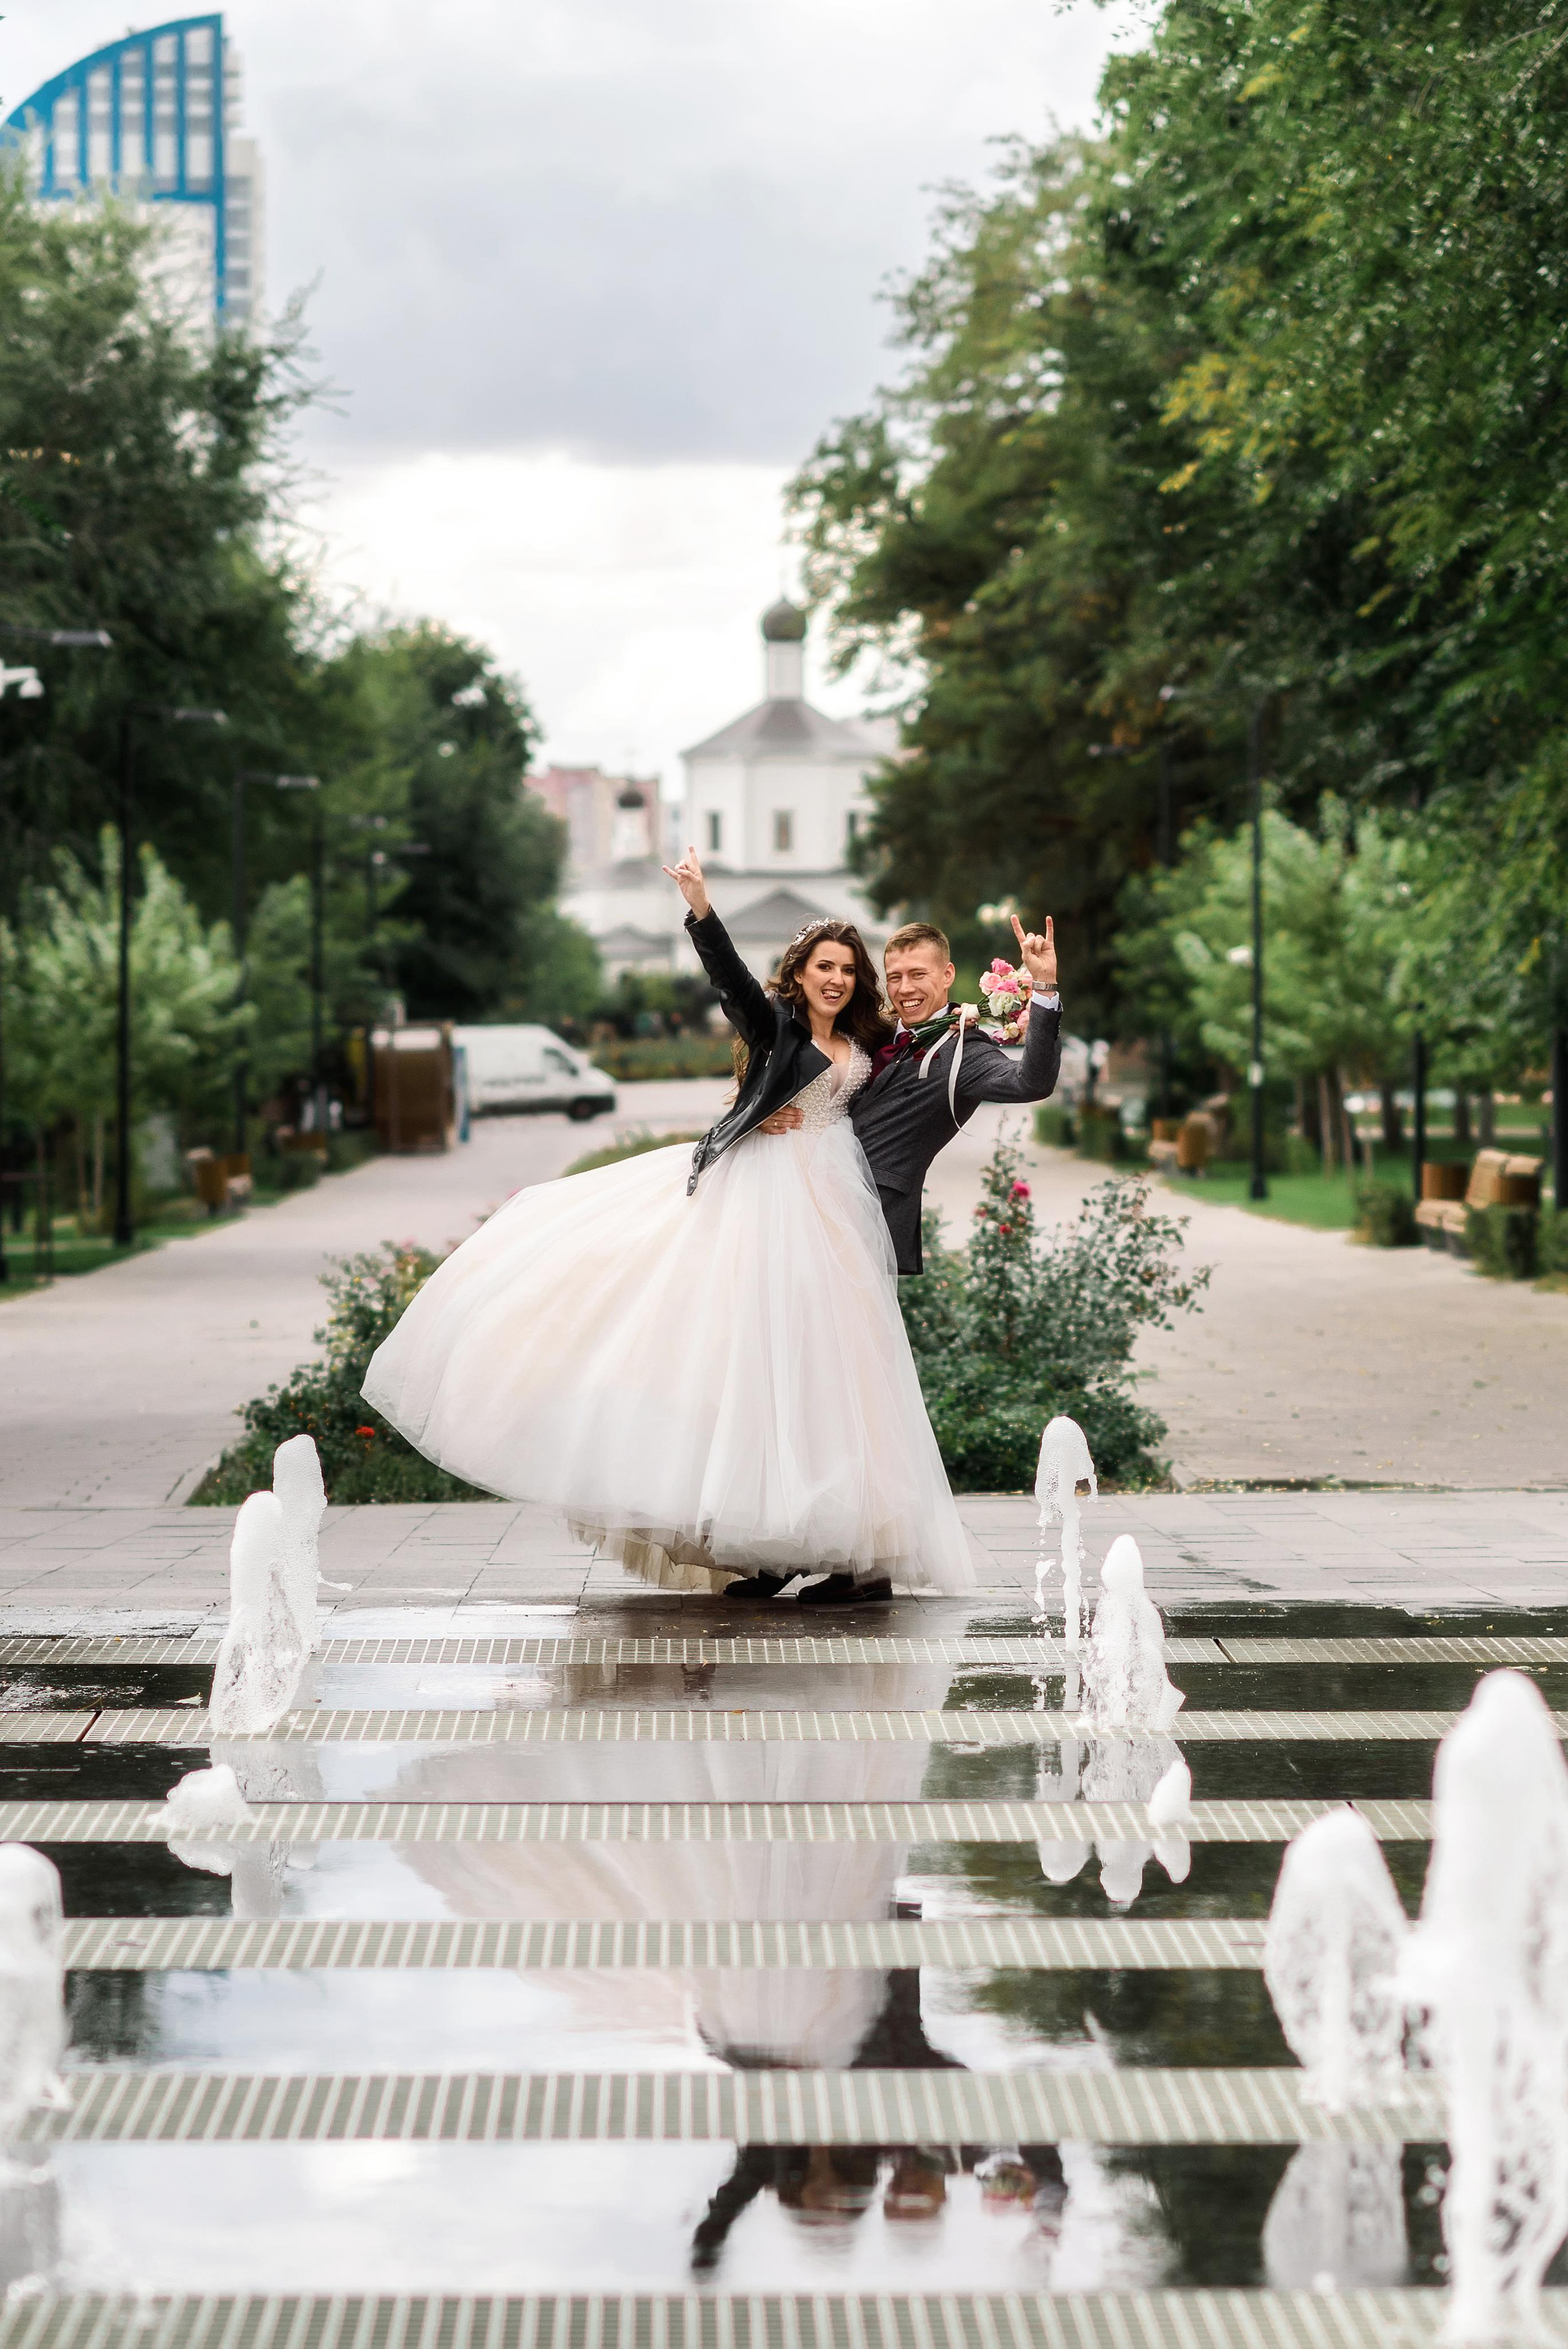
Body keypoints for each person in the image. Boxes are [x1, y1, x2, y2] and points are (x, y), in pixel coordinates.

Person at [360, 846, 978, 1604]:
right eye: (824, 965)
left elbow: (927, 1034)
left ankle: (862, 1559)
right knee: (748, 1367)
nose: (837, 978)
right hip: (764, 1202)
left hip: (836, 1215)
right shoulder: (775, 1024)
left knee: (837, 1372)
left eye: (848, 969)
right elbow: (730, 984)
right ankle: (771, 1548)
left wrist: (995, 1008)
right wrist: (701, 909)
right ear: (800, 972)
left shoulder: (870, 1040)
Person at [759, 914, 1063, 1274]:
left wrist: (1044, 986)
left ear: (947, 975)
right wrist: (765, 1112)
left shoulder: (965, 1052)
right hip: (794, 1195)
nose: (905, 989)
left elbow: (1032, 1082)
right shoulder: (870, 1028)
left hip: (870, 1221)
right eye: (895, 978)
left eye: (918, 975)